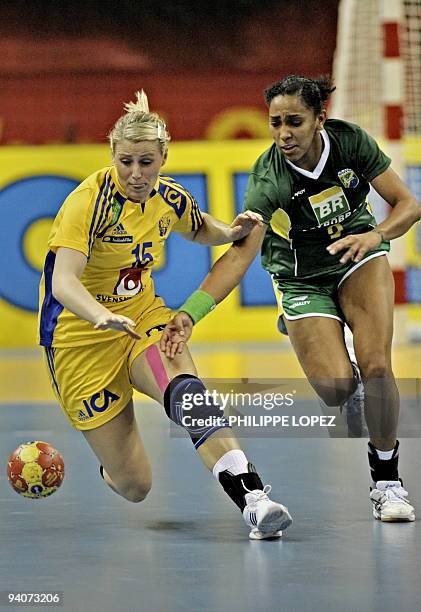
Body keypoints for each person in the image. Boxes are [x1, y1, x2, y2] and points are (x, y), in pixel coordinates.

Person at [161, 75, 421, 523]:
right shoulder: (268, 179)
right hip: (300, 279)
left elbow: (408, 205)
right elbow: (239, 257)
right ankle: (316, 336)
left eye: (294, 122)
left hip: (358, 257)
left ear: (320, 119)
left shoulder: (350, 142)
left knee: (378, 365)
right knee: (337, 390)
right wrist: (190, 313)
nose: (283, 133)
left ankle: (387, 484)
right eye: (275, 122)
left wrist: (374, 235)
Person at [38, 90, 293, 540]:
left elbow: (201, 228)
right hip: (80, 343)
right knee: (136, 485)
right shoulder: (86, 204)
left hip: (142, 324)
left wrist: (234, 231)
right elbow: (63, 283)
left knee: (189, 395)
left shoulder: (168, 199)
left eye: (146, 162)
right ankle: (111, 467)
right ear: (113, 157)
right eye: (126, 162)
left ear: (163, 158)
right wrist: (99, 314)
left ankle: (254, 500)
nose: (136, 173)